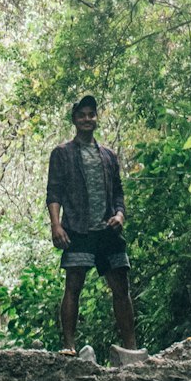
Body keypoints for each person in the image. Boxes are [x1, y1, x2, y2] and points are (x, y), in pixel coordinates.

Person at [46, 94, 138, 354]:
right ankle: (69, 346)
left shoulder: (108, 155)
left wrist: (120, 215)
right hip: (78, 228)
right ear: (75, 119)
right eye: (82, 115)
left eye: (91, 114)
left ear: (96, 119)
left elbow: (118, 193)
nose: (87, 119)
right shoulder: (62, 154)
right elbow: (54, 192)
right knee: (73, 286)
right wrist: (56, 225)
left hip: (108, 230)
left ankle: (131, 348)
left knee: (121, 287)